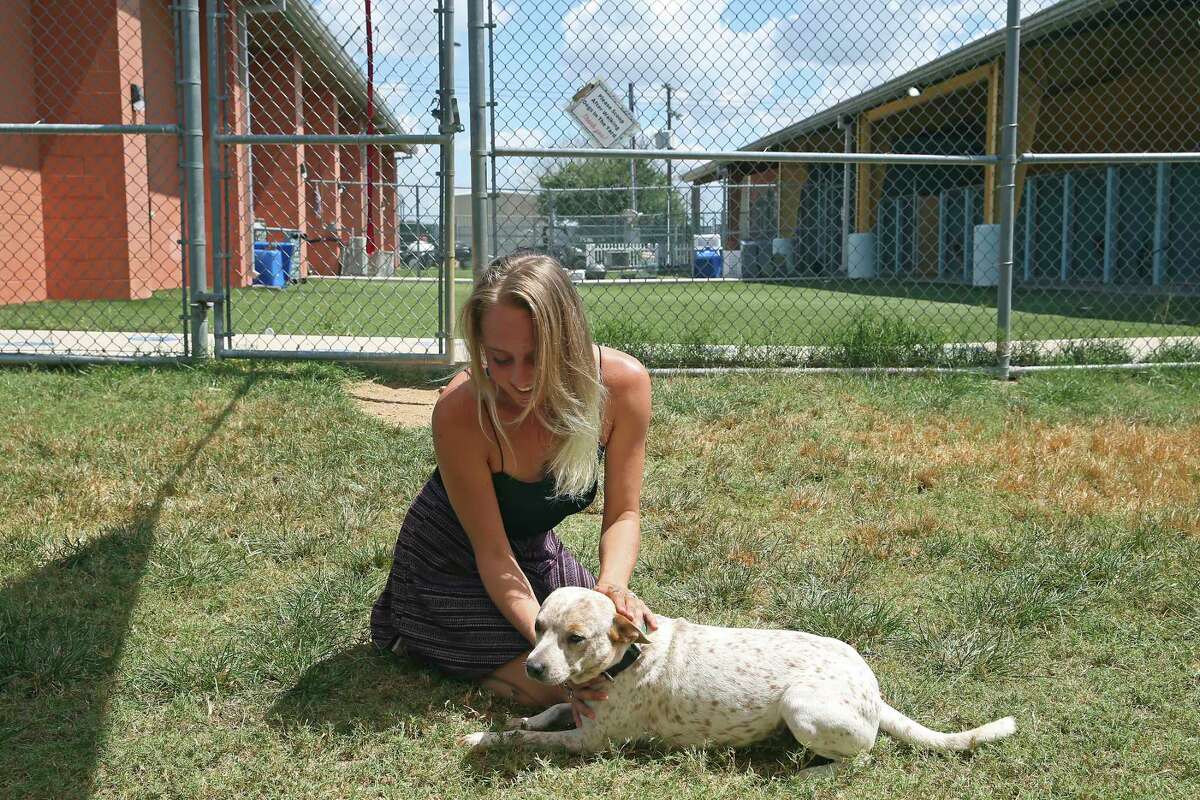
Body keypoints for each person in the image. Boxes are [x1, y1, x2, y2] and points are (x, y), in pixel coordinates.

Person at [371, 251, 656, 723]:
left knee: (622, 664)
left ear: (568, 340)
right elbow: (492, 554)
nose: (518, 380)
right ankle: (422, 636)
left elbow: (624, 513)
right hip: (447, 565)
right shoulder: (461, 410)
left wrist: (612, 587)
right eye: (498, 359)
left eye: (536, 358)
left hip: (531, 551)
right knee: (564, 693)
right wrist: (548, 650)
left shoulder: (622, 386)